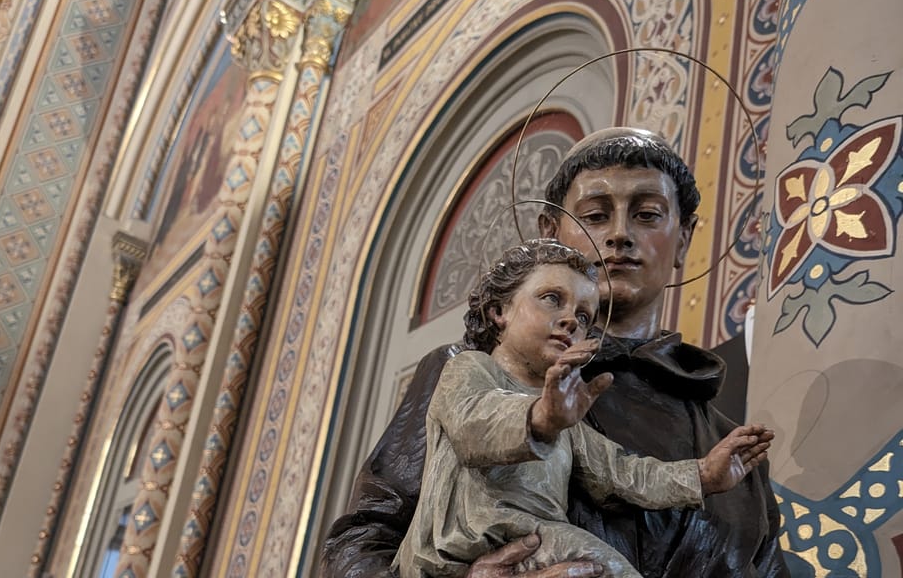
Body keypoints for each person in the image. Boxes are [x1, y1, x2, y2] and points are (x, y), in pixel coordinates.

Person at [322, 127, 790, 577]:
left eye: (647, 214)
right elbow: (360, 543)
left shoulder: (731, 453)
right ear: (550, 231)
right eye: (595, 215)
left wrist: (705, 475)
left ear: (683, 239)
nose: (620, 235)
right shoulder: (474, 374)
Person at [392, 239, 773, 578]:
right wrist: (541, 419)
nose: (572, 319)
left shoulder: (564, 409)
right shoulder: (469, 367)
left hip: (533, 540)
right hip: (464, 544)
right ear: (498, 310)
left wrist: (703, 475)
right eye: (552, 299)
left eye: (585, 316)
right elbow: (474, 424)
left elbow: (621, 472)